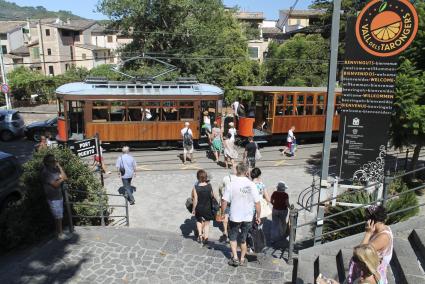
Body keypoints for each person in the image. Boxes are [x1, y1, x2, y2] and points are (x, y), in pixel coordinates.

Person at [221, 162, 261, 267]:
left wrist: (224, 213)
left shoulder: (231, 184)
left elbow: (224, 201)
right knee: (243, 239)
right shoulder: (251, 184)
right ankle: (242, 259)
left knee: (233, 237)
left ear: (237, 171)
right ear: (247, 171)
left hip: (234, 216)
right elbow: (257, 203)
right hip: (248, 216)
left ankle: (235, 258)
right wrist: (258, 216)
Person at [347, 205, 393, 284]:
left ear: (371, 220)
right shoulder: (381, 229)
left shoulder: (383, 237)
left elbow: (360, 252)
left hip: (371, 270)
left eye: (366, 219)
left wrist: (368, 233)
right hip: (371, 268)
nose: (365, 221)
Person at [317, 244, 383, 284]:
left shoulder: (363, 282)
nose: (353, 261)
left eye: (355, 259)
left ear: (364, 264)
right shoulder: (376, 274)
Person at [41, 154, 71, 240]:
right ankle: (60, 234)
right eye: (52, 161)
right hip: (53, 198)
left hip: (58, 195)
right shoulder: (46, 172)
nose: (54, 162)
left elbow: (65, 177)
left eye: (55, 160)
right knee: (58, 216)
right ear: (46, 162)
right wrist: (61, 179)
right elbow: (55, 184)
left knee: (59, 215)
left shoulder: (55, 169)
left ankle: (59, 232)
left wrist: (60, 167)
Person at [191, 169, 215, 246]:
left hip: (199, 207)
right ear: (205, 177)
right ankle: (206, 238)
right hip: (208, 207)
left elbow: (195, 200)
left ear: (198, 178)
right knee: (207, 223)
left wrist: (193, 209)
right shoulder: (209, 186)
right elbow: (212, 196)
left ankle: (200, 236)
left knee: (198, 221)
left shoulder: (196, 187)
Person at [218, 170, 237, 243]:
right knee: (234, 215)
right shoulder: (238, 179)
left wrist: (221, 195)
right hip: (235, 200)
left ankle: (225, 231)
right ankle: (233, 230)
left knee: (225, 215)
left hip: (226, 199)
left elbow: (220, 187)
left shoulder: (225, 178)